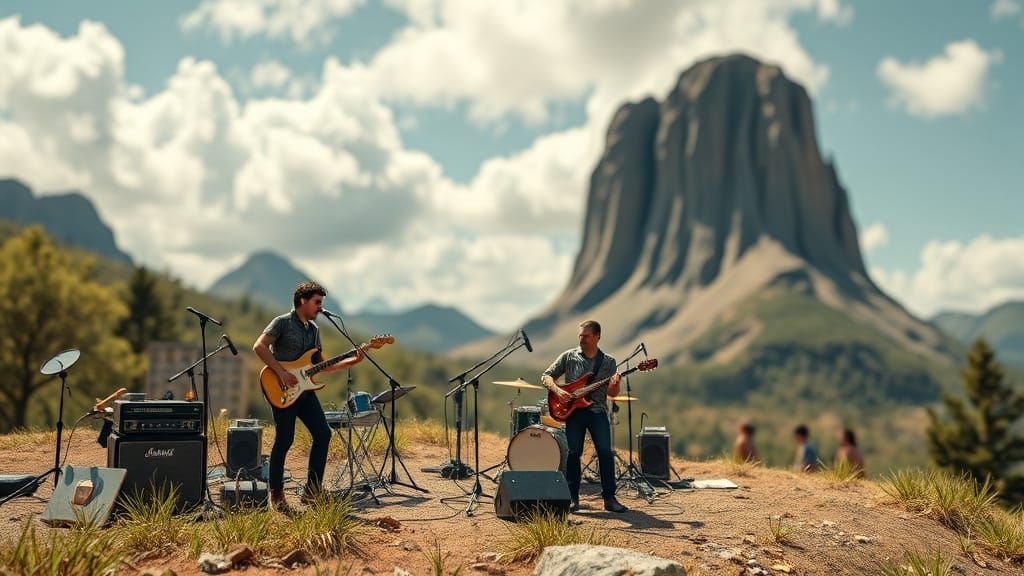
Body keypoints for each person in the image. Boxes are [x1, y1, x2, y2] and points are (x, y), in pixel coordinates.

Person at [253, 281, 364, 513]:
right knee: (285, 439)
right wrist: (282, 372)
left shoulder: (314, 330)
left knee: (323, 433)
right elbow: (259, 347)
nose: (320, 308)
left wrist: (353, 360)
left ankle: (312, 492)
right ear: (302, 301)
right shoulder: (282, 322)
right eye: (317, 302)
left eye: (321, 303)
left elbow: (321, 364)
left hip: (305, 391)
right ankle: (276, 493)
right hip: (281, 388)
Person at [541, 320, 627, 513]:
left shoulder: (608, 362)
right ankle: (572, 498)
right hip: (574, 413)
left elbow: (613, 394)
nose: (582, 339)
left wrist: (614, 384)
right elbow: (546, 376)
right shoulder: (569, 357)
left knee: (605, 452)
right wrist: (558, 391)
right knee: (573, 453)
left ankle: (609, 498)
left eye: (586, 336)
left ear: (597, 337)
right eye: (580, 335)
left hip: (597, 412)